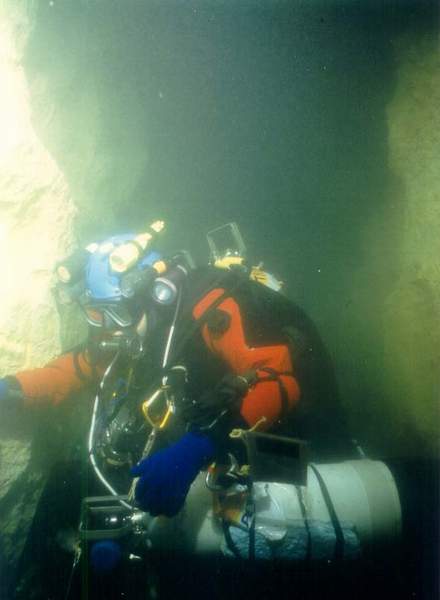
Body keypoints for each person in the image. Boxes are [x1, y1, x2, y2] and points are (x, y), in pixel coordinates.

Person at [0, 221, 352, 518]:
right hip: (207, 446)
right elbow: (78, 368)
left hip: (282, 449)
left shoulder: (210, 304)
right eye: (95, 315)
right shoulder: (136, 329)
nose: (107, 329)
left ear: (153, 296)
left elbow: (279, 380)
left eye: (114, 314)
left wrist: (199, 447)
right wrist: (14, 388)